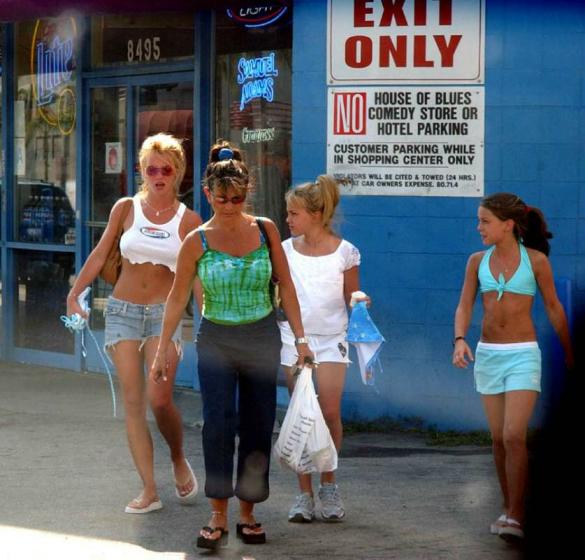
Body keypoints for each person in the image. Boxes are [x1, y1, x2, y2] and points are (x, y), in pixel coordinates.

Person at [150, 140, 313, 550]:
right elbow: (176, 298)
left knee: (258, 425)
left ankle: (248, 513)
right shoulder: (197, 241)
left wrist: (301, 339)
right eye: (222, 199)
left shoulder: (265, 230)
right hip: (217, 340)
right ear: (208, 194)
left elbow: (287, 287)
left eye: (237, 198)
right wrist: (161, 350)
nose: (229, 206)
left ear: (247, 192)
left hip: (260, 337)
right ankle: (217, 514)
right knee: (218, 426)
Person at [66, 133, 202, 513]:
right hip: (122, 312)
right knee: (132, 401)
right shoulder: (126, 208)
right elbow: (100, 253)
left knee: (159, 399)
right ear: (142, 170)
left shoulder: (189, 220)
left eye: (165, 170)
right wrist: (75, 293)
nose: (158, 176)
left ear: (178, 173)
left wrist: (208, 322)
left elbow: (197, 277)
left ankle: (177, 456)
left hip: (164, 315)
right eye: (150, 169)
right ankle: (149, 489)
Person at [452, 192, 573, 541]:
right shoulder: (476, 261)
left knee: (513, 435)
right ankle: (508, 509)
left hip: (523, 354)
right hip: (488, 354)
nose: (479, 227)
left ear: (508, 225)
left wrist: (570, 352)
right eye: (478, 221)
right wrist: (459, 340)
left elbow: (554, 308)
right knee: (498, 440)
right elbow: (464, 305)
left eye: (485, 221)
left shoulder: (536, 261)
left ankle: (518, 516)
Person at [279, 175, 369, 523]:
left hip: (333, 340)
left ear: (316, 215)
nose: (288, 219)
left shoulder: (346, 252)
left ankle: (328, 485)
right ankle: (304, 494)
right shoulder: (285, 250)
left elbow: (351, 295)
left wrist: (360, 301)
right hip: (294, 339)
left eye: (294, 213)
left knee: (330, 412)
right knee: (302, 412)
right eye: (288, 213)